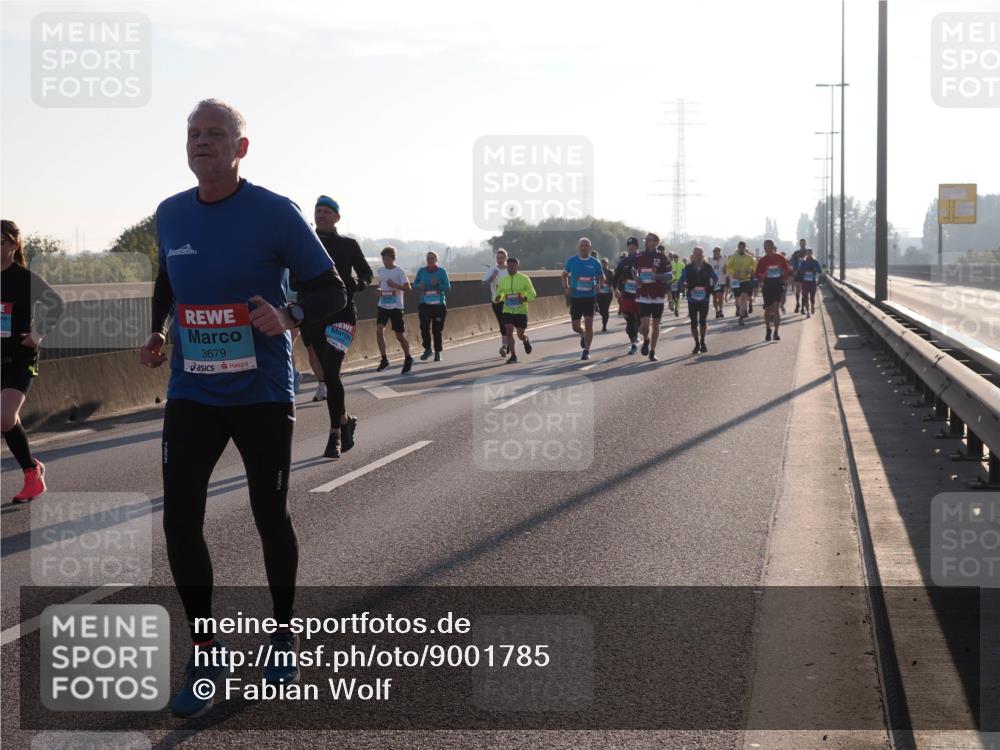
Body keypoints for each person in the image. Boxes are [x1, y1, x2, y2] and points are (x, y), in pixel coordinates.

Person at [139, 99, 347, 718]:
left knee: (267, 514)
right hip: (192, 390)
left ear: (241, 148)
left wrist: (289, 316)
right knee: (180, 519)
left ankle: (282, 634)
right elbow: (168, 282)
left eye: (216, 134)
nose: (202, 143)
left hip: (260, 393)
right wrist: (157, 329)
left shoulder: (274, 212)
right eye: (193, 134)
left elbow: (331, 288)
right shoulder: (171, 213)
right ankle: (206, 649)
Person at [1, 219, 65, 503]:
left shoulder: (23, 277)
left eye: (0, 242)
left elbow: (56, 302)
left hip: (19, 357)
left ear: (13, 245)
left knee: (4, 416)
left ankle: (32, 473)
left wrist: (38, 334)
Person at [309, 195, 373, 459]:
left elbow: (367, 274)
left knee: (332, 372)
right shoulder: (304, 243)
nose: (321, 215)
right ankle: (346, 420)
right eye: (318, 211)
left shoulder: (348, 245)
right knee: (325, 373)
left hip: (342, 316)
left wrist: (357, 284)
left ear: (337, 217)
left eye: (326, 211)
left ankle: (334, 434)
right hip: (313, 315)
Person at [562, 237, 604, 361]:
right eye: (582, 245)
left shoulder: (595, 262)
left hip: (589, 297)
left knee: (589, 323)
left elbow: (602, 277)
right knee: (575, 326)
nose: (584, 247)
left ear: (589, 248)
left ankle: (586, 350)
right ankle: (582, 333)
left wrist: (598, 285)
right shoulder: (572, 261)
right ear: (579, 247)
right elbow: (563, 275)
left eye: (586, 245)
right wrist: (566, 287)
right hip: (575, 297)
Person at [374, 246, 413, 374]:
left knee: (399, 335)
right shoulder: (381, 271)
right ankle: (384, 359)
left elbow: (408, 289)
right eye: (384, 259)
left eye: (388, 259)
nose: (385, 262)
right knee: (379, 331)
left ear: (393, 259)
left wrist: (395, 286)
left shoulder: (399, 271)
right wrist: (379, 291)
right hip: (383, 305)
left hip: (396, 306)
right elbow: (381, 284)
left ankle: (408, 357)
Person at [634, 233, 672, 361]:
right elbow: (632, 270)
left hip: (658, 295)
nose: (646, 242)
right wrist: (636, 278)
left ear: (656, 242)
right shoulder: (639, 256)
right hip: (643, 294)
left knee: (655, 324)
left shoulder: (662, 258)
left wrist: (657, 277)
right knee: (645, 325)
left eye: (649, 240)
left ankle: (652, 351)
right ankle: (646, 340)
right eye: (646, 240)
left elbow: (669, 276)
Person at [677, 246, 718, 354]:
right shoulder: (688, 268)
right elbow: (681, 280)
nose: (698, 256)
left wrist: (711, 287)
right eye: (696, 254)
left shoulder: (708, 267)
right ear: (693, 255)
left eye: (700, 254)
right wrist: (686, 286)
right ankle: (696, 344)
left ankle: (703, 341)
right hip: (692, 299)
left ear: (703, 255)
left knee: (703, 321)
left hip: (704, 299)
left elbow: (715, 277)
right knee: (693, 323)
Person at [495, 256, 536, 363]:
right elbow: (500, 294)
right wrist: (498, 298)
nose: (511, 267)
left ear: (517, 266)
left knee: (520, 334)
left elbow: (533, 294)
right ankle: (513, 356)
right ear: (506, 267)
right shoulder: (503, 280)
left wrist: (524, 298)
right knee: (509, 331)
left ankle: (525, 340)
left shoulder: (524, 279)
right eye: (509, 266)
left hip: (521, 311)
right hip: (507, 310)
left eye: (513, 265)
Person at [413, 250, 451, 363]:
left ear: (436, 260)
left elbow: (448, 287)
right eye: (428, 258)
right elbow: (414, 285)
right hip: (425, 304)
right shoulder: (421, 271)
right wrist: (419, 286)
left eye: (432, 258)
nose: (430, 260)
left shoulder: (441, 272)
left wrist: (438, 285)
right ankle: (428, 349)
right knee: (424, 327)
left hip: (438, 305)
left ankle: (438, 352)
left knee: (436, 330)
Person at [755, 239, 792, 341]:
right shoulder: (763, 260)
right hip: (767, 285)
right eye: (764, 246)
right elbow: (757, 274)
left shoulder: (780, 258)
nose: (764, 248)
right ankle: (768, 329)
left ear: (772, 247)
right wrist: (763, 275)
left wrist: (784, 278)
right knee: (767, 310)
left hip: (777, 284)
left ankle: (776, 331)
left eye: (766, 246)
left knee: (776, 309)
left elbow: (786, 270)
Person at [612, 237, 641, 354]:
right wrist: (615, 289)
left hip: (641, 296)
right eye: (629, 245)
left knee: (639, 321)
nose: (631, 247)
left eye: (633, 245)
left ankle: (637, 331)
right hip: (627, 295)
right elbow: (615, 277)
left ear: (637, 246)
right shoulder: (623, 262)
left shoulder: (643, 259)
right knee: (629, 320)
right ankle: (633, 343)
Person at [482, 248, 509, 356]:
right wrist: (492, 278)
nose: (499, 259)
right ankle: (505, 345)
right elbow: (483, 284)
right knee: (502, 323)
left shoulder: (510, 270)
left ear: (506, 258)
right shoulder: (492, 269)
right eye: (498, 258)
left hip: (510, 301)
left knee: (509, 324)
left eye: (502, 257)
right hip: (496, 301)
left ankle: (507, 344)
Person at [725, 241, 755, 325]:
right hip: (736, 280)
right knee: (737, 298)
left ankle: (741, 316)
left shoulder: (749, 257)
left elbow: (754, 266)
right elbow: (728, 267)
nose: (742, 249)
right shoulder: (734, 257)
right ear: (738, 247)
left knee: (744, 297)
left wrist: (751, 270)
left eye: (743, 247)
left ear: (745, 248)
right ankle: (739, 308)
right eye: (740, 247)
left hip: (745, 279)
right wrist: (733, 272)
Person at [797, 248, 822, 318]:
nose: (808, 254)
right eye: (807, 253)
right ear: (805, 254)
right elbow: (800, 271)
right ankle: (808, 312)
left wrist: (814, 270)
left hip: (812, 282)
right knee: (805, 297)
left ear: (811, 253)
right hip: (805, 282)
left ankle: (813, 306)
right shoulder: (803, 262)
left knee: (812, 297)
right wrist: (804, 270)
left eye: (809, 253)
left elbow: (820, 270)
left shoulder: (815, 262)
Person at [596, 257, 615, 332]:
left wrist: (612, 287)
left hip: (608, 294)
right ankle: (603, 314)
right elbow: (594, 279)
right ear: (601, 264)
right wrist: (597, 285)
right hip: (600, 293)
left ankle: (604, 325)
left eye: (606, 263)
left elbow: (614, 281)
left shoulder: (610, 272)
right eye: (603, 263)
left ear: (608, 264)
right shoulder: (598, 272)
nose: (605, 264)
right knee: (601, 310)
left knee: (606, 309)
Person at [791, 239, 809, 313]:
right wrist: (795, 269)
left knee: (804, 292)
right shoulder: (796, 253)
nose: (802, 244)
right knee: (798, 291)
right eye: (801, 243)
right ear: (799, 244)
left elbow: (811, 261)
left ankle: (802, 307)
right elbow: (792, 261)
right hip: (798, 274)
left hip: (805, 274)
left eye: (803, 243)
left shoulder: (808, 252)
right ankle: (798, 304)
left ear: (805, 244)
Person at [708, 246, 727, 319]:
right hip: (713, 282)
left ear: (720, 252)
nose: (716, 253)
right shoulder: (710, 260)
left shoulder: (724, 260)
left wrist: (725, 269)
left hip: (721, 281)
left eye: (717, 251)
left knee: (720, 296)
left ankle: (721, 310)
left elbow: (727, 271)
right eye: (714, 251)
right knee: (715, 297)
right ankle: (716, 311)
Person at [669, 252, 685, 317]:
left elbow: (684, 272)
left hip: (679, 282)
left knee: (678, 296)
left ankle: (677, 309)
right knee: (673, 296)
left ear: (678, 258)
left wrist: (684, 280)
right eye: (674, 257)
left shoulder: (682, 264)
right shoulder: (670, 264)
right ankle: (674, 305)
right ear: (673, 258)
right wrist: (671, 272)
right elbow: (668, 271)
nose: (675, 258)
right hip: (672, 282)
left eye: (676, 257)